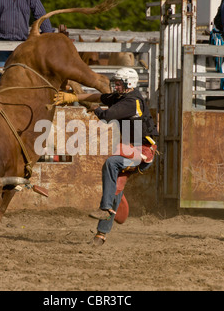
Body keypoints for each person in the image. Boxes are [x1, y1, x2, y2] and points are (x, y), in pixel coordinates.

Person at [54, 68, 159, 246]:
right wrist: (73, 98)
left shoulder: (131, 102)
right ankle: (101, 235)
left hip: (143, 152)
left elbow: (106, 115)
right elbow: (98, 97)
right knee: (115, 188)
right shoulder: (123, 97)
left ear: (129, 84)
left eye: (119, 83)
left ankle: (105, 208)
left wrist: (95, 109)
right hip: (131, 149)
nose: (116, 86)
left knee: (112, 163)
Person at [0, 0, 54, 69]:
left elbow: (40, 14)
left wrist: (47, 32)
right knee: (1, 75)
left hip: (22, 43)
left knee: (21, 74)